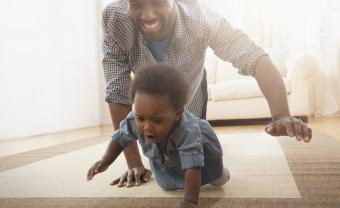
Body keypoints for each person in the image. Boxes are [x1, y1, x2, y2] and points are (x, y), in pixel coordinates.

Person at [102, 0, 312, 187]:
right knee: (165, 160)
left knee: (196, 150)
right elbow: (117, 89)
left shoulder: (201, 19)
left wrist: (281, 115)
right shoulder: (114, 18)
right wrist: (135, 164)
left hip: (190, 94)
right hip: (152, 105)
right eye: (137, 4)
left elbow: (254, 57)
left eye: (157, 2)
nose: (147, 15)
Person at [87, 64, 229, 208]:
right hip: (165, 157)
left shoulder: (188, 130)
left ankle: (222, 172)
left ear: (177, 113)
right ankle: (171, 169)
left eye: (157, 120)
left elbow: (193, 168)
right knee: (166, 185)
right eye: (141, 118)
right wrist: (105, 160)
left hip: (204, 157)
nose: (147, 127)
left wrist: (190, 201)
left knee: (217, 179)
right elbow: (120, 138)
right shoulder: (134, 119)